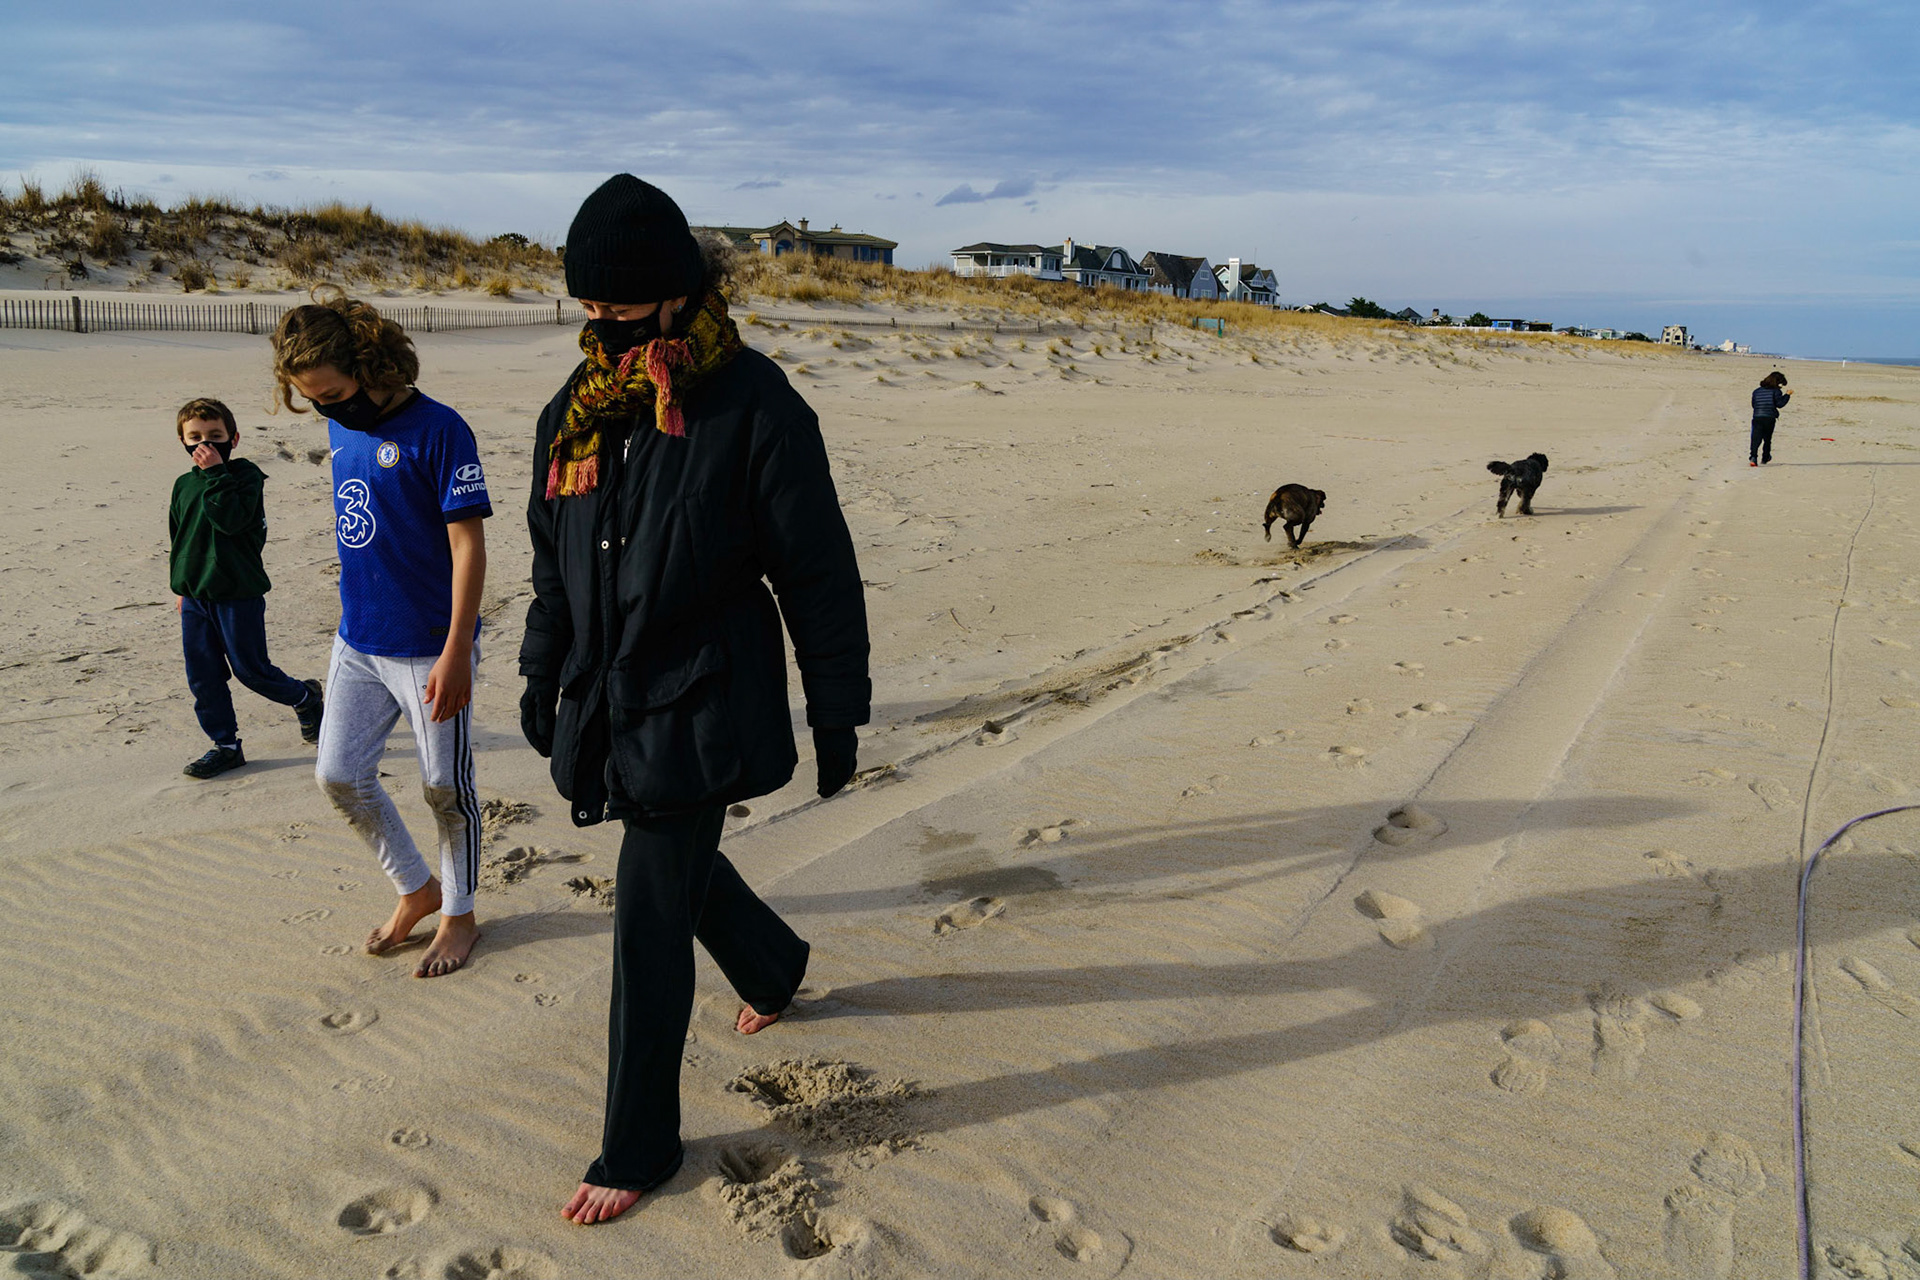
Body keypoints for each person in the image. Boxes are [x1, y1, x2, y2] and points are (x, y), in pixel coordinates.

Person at [519, 175, 870, 1225]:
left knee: (648, 906)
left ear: (676, 294)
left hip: (708, 692)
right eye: (584, 303)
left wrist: (837, 705)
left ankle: (642, 1139)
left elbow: (816, 567)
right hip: (609, 692)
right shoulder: (571, 415)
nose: (598, 322)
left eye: (616, 303)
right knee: (672, 864)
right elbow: (552, 562)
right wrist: (542, 672)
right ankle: (774, 963)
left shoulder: (753, 402)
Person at [269, 289, 490, 979]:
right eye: (311, 400)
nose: (325, 410)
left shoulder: (442, 430)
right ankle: (416, 888)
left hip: (430, 644)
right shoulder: (340, 426)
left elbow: (469, 548)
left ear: (369, 364)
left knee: (444, 788)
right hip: (358, 640)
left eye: (332, 393)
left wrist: (457, 650)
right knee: (338, 775)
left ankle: (459, 912)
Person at [169, 397, 324, 778]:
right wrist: (180, 587)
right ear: (183, 442)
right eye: (195, 437)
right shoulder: (183, 485)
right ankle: (225, 746)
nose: (205, 444)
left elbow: (232, 521)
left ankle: (305, 697)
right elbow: (179, 536)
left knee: (251, 670)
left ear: (233, 439)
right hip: (195, 596)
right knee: (203, 675)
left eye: (215, 435)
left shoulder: (245, 476)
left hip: (238, 593)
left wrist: (218, 474)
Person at [1751, 370, 1792, 466]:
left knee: (1755, 438)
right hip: (1769, 417)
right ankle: (1765, 457)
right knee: (1767, 439)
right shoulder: (1776, 391)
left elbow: (1754, 405)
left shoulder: (1756, 391)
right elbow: (1780, 404)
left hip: (1757, 416)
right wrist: (1787, 395)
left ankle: (1753, 457)